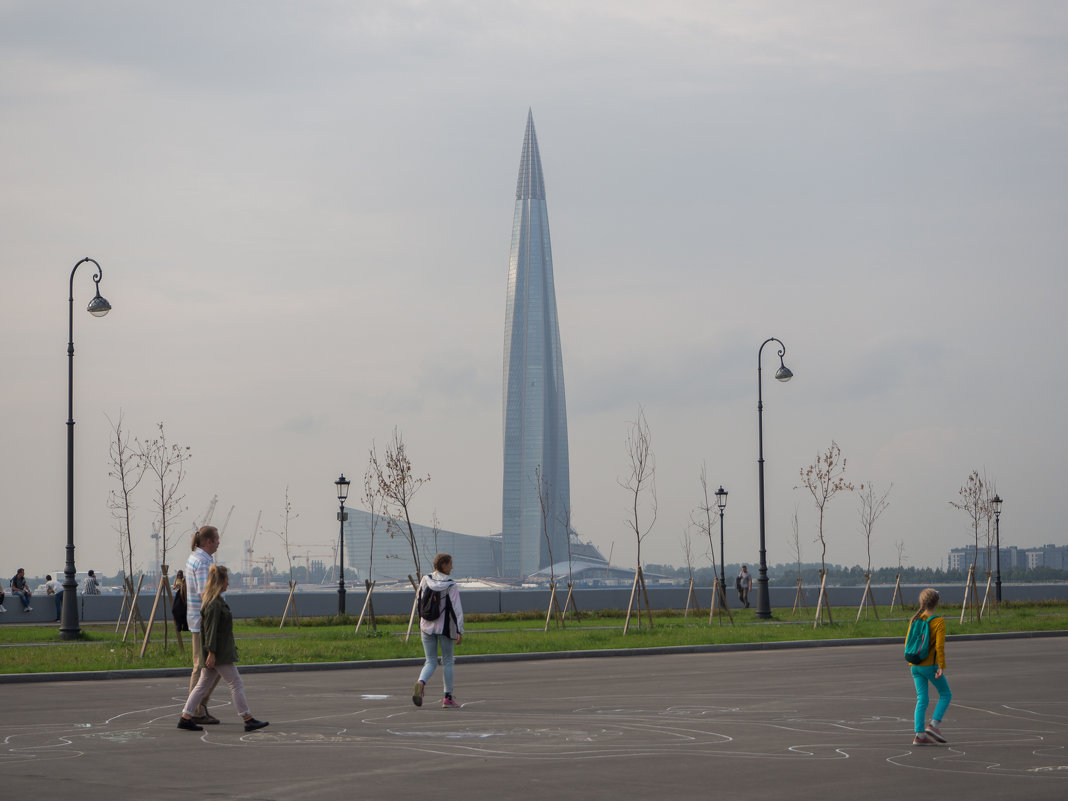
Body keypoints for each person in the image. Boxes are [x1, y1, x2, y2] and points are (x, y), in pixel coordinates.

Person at [177, 565, 268, 732]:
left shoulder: (216, 601)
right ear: (220, 582)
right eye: (227, 579)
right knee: (235, 683)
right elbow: (211, 631)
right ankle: (248, 719)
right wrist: (211, 653)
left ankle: (186, 717)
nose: (228, 583)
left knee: (202, 685)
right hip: (218, 653)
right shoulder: (214, 605)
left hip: (217, 651)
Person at [412, 553, 465, 709]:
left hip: (426, 626)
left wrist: (421, 621)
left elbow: (418, 601)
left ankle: (420, 683)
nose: (452, 567)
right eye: (450, 564)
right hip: (444, 628)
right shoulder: (451, 585)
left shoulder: (425, 579)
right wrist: (460, 630)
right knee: (448, 660)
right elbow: (457, 609)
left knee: (430, 661)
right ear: (443, 565)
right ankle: (447, 698)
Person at [186, 526, 222, 724]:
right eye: (217, 539)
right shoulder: (202, 562)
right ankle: (194, 710)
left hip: (200, 620)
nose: (218, 543)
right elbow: (204, 594)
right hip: (204, 621)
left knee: (213, 666)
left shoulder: (199, 559)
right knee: (202, 667)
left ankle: (199, 706)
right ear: (208, 541)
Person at [908, 588, 952, 746]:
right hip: (929, 666)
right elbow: (939, 646)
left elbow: (909, 643)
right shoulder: (938, 621)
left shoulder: (915, 620)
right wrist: (941, 665)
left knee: (922, 699)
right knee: (946, 694)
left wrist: (912, 663)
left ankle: (919, 735)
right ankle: (933, 725)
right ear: (937, 603)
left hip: (915, 665)